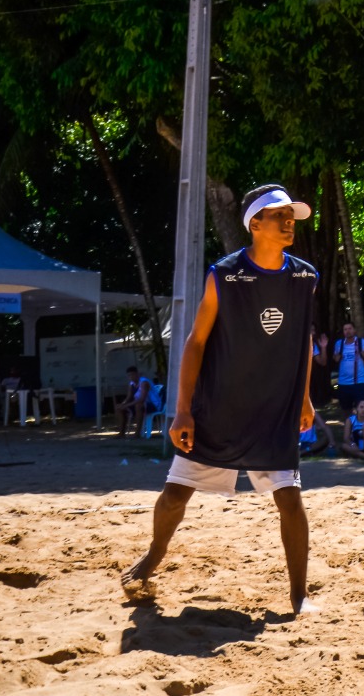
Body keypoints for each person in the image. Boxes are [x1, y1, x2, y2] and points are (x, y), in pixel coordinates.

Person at [121, 184, 319, 617]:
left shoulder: (305, 276)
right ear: (254, 223)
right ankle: (154, 556)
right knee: (175, 495)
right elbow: (194, 343)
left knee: (290, 500)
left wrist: (304, 398)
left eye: (291, 215)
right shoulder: (225, 275)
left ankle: (299, 596)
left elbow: (303, 341)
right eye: (278, 215)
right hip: (220, 408)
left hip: (273, 410)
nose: (289, 221)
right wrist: (183, 409)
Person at [331, 322, 364, 413]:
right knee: (346, 409)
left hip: (359, 382)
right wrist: (336, 357)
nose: (347, 331)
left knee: (362, 408)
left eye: (350, 329)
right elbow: (335, 357)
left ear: (354, 330)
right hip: (343, 383)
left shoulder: (362, 342)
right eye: (345, 329)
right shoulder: (339, 344)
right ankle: (349, 426)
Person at [115, 366, 161, 439]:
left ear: (137, 374)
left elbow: (141, 399)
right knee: (119, 408)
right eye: (129, 375)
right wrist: (123, 404)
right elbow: (129, 397)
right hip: (140, 403)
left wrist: (127, 405)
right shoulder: (131, 384)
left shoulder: (144, 383)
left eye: (132, 375)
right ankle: (121, 433)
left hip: (153, 404)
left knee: (138, 406)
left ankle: (137, 433)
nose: (131, 377)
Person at [308, 326, 332, 411]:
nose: (313, 333)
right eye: (311, 330)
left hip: (308, 378)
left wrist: (323, 347)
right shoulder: (296, 343)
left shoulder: (313, 345)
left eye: (314, 330)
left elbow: (322, 362)